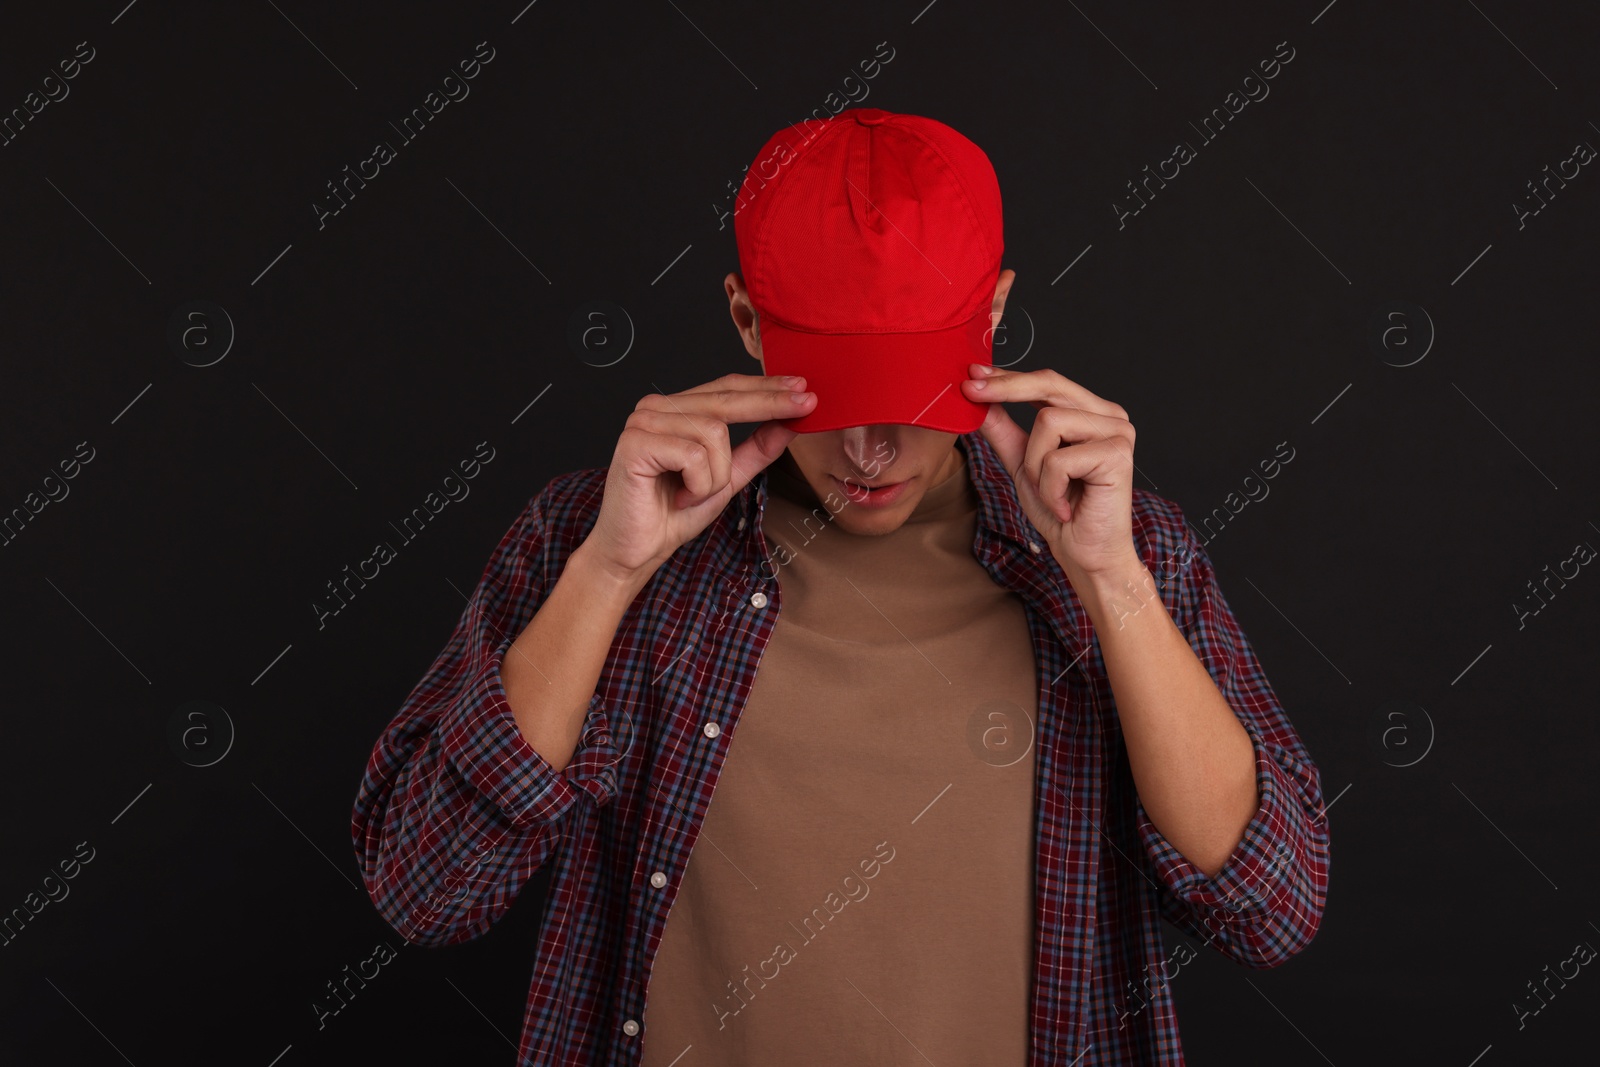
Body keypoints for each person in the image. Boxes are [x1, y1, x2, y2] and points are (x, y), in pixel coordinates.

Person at [350, 107, 1330, 1066]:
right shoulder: (590, 536)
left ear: (990, 317)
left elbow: (1271, 908)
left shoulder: (1122, 552)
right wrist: (606, 574)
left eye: (911, 395)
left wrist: (1113, 585)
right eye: (838, 396)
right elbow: (425, 892)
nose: (872, 450)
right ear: (744, 319)